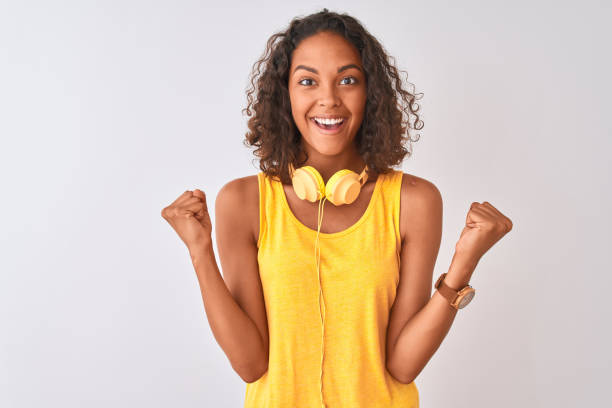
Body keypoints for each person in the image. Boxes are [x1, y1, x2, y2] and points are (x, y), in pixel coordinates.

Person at [161, 8, 513, 408]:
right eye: (307, 81)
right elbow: (250, 364)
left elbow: (402, 366)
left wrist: (464, 264)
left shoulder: (414, 201)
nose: (328, 99)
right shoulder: (244, 202)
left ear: (371, 93)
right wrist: (199, 251)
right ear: (285, 94)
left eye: (348, 80)